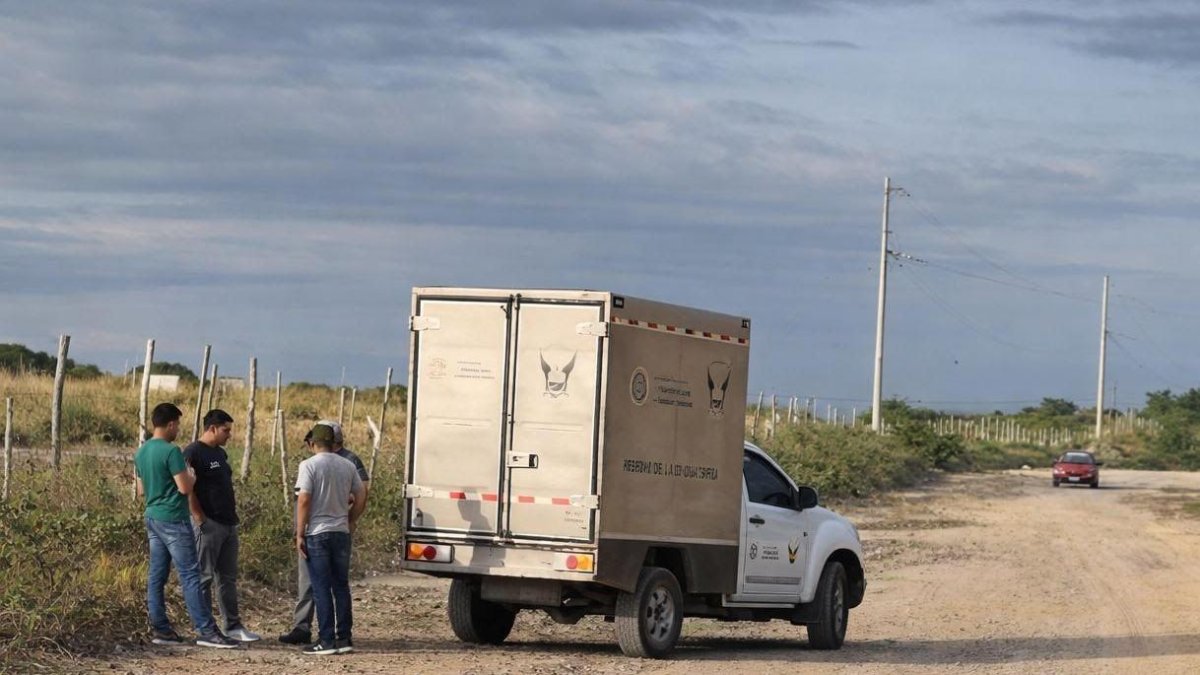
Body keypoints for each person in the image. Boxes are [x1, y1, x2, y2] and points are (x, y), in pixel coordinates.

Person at [134, 402, 238, 649]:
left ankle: (161, 629)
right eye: (178, 425)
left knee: (157, 576)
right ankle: (206, 630)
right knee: (191, 575)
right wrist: (191, 476)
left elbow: (140, 490)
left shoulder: (141, 451)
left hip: (152, 516)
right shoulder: (171, 452)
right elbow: (184, 487)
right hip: (173, 518)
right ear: (170, 424)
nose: (178, 430)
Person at [279, 420, 370, 645]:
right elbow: (361, 495)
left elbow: (304, 499)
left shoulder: (309, 465)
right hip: (340, 532)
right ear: (333, 443)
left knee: (320, 587)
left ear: (312, 443)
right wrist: (350, 519)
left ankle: (326, 640)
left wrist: (300, 533)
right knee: (340, 586)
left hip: (317, 532)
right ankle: (344, 638)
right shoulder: (347, 465)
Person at [183, 409, 261, 643]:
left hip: (228, 523)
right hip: (209, 524)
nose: (229, 435)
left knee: (227, 578)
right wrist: (198, 516)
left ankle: (233, 626)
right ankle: (206, 629)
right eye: (226, 430)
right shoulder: (192, 452)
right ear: (212, 428)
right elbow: (187, 487)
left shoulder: (221, 453)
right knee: (204, 577)